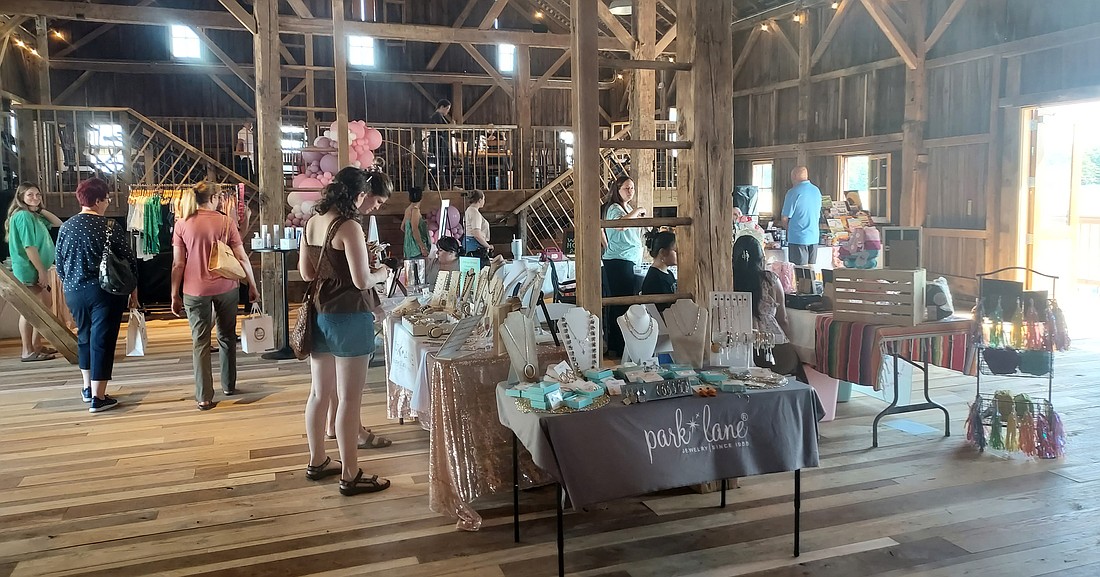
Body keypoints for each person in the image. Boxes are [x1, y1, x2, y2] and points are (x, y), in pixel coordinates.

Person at [299, 167, 393, 496]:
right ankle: (350, 474)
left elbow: (307, 272)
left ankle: (317, 460)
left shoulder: (313, 221)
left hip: (320, 313)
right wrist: (381, 272)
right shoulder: (349, 226)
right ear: (357, 195)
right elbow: (362, 281)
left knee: (319, 394)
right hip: (350, 317)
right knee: (349, 400)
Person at [170, 182, 260, 411]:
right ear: (214, 198)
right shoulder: (225, 222)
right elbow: (241, 258)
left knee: (200, 342)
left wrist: (174, 294)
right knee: (227, 337)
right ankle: (229, 385)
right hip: (226, 287)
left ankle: (204, 396)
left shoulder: (181, 224)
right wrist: (252, 285)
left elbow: (178, 264)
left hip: (194, 290)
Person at [55, 178, 138, 413]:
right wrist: (133, 292)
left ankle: (86, 388)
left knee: (84, 337)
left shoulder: (66, 227)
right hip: (105, 291)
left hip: (74, 291)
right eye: (107, 198)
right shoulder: (109, 226)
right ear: (99, 200)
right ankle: (98, 397)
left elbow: (59, 264)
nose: (108, 203)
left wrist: (70, 282)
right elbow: (128, 262)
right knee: (102, 340)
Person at [5, 182, 62, 361]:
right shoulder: (22, 216)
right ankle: (27, 350)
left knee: (43, 306)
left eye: (38, 194)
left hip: (38, 268)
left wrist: (39, 210)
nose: (35, 198)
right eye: (30, 195)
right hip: (29, 269)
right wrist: (41, 271)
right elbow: (29, 247)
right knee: (30, 310)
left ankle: (36, 345)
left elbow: (58, 223)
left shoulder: (33, 215)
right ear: (21, 197)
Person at [733, 235, 803, 379]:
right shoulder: (770, 280)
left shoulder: (728, 279)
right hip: (775, 350)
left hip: (739, 350)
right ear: (761, 258)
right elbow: (782, 319)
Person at [601, 175, 647, 358]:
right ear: (617, 190)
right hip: (619, 260)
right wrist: (639, 210)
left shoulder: (626, 208)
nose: (630, 191)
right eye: (626, 188)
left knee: (625, 302)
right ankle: (617, 344)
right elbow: (619, 226)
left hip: (629, 259)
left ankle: (621, 343)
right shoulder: (614, 208)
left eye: (632, 188)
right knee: (620, 303)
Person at [780, 166, 822, 266]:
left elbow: (785, 217)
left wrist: (789, 230)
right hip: (814, 237)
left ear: (794, 176)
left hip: (798, 238)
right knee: (811, 272)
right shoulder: (816, 191)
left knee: (799, 273)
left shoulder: (793, 192)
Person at [640, 230, 677, 312]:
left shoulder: (669, 273)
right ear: (662, 252)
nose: (679, 253)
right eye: (675, 250)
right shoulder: (654, 280)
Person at [402, 186, 431, 285]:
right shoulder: (415, 210)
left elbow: (402, 227)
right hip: (416, 249)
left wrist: (408, 236)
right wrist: (422, 246)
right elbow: (415, 229)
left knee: (410, 279)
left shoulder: (407, 209)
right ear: (421, 197)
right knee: (419, 278)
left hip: (408, 248)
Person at [428, 100, 452, 189]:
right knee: (439, 165)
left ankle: (431, 184)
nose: (448, 111)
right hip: (438, 144)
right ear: (441, 107)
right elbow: (440, 129)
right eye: (447, 108)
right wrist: (450, 126)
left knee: (438, 165)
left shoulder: (438, 116)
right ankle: (443, 186)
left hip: (438, 143)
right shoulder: (437, 116)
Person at [463, 189, 492, 258]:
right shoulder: (475, 213)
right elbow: (477, 234)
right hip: (475, 244)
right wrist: (487, 246)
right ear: (480, 200)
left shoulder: (468, 210)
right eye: (484, 199)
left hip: (468, 241)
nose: (484, 201)